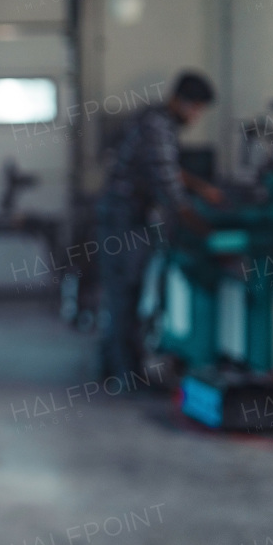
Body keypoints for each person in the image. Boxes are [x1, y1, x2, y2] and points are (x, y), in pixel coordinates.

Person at [95, 71, 220, 380]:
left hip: (127, 216)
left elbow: (167, 169)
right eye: (196, 109)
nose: (196, 117)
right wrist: (205, 229)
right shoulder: (157, 126)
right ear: (180, 101)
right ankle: (123, 376)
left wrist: (202, 189)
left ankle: (118, 369)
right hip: (123, 219)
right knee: (125, 295)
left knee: (126, 296)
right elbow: (168, 186)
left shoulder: (154, 120)